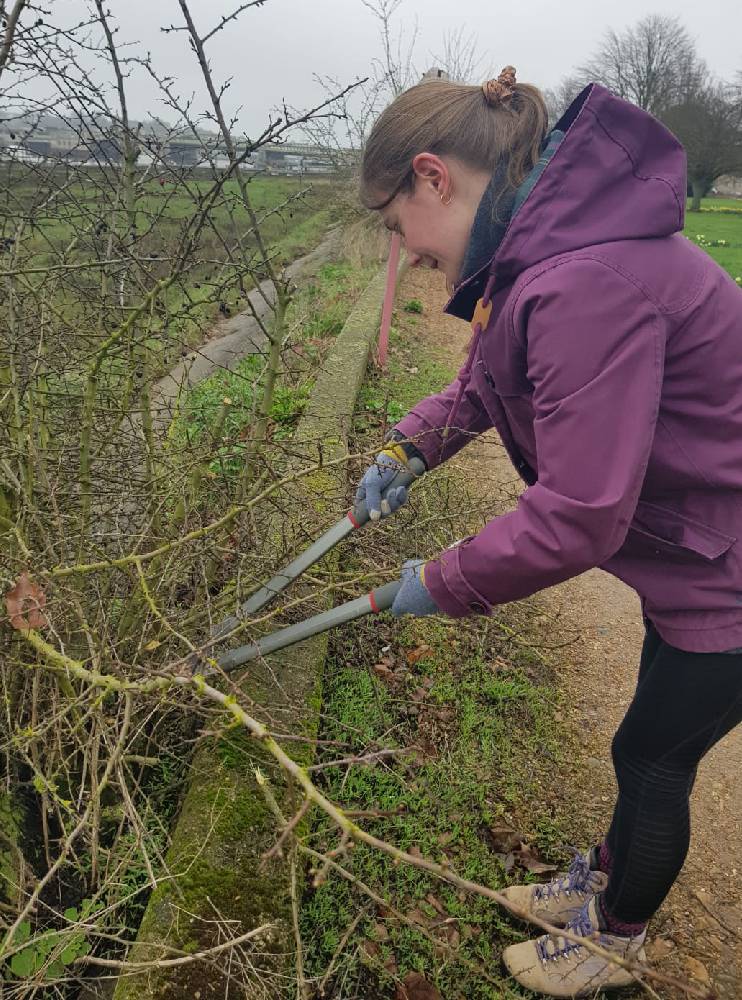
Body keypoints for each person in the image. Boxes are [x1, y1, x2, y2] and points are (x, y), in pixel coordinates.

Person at [355, 68, 742, 997]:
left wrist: (444, 579)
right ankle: (603, 884)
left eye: (394, 223)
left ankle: (615, 941)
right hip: (700, 558)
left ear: (433, 177)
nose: (404, 253)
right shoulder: (536, 250)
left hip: (729, 568)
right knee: (644, 737)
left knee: (654, 756)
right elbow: (491, 378)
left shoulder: (582, 280)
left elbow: (579, 512)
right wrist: (414, 445)